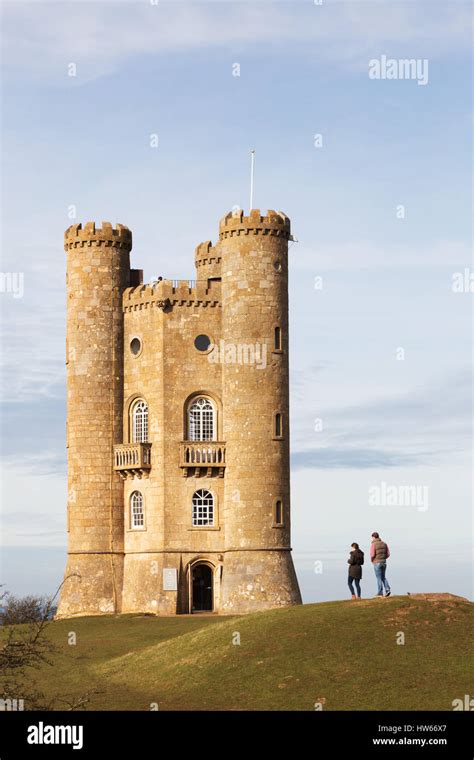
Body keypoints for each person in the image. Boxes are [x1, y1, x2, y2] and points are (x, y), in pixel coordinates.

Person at [370, 531, 391, 597]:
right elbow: (388, 554)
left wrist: (372, 560)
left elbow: (372, 554)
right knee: (383, 577)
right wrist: (384, 558)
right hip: (384, 562)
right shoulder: (384, 544)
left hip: (377, 562)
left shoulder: (373, 544)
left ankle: (380, 592)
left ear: (373, 537)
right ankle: (387, 589)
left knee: (378, 578)